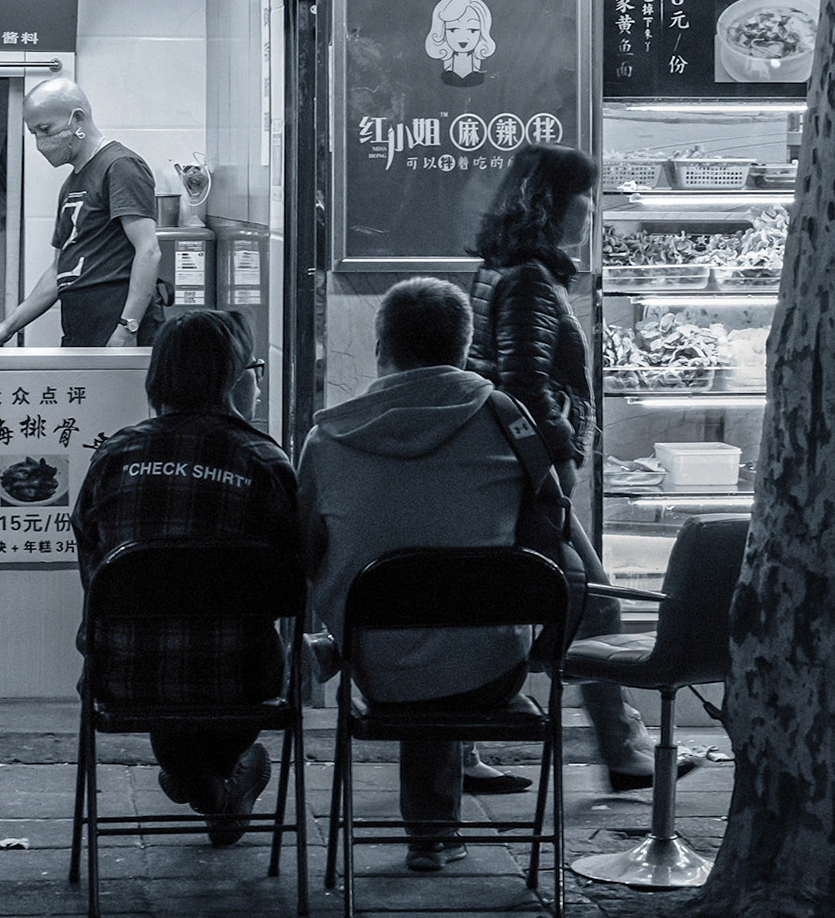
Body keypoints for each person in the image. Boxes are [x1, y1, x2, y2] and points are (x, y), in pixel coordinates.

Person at [298, 277, 535, 873]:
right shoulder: (507, 418)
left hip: (374, 665)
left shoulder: (327, 436)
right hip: (493, 670)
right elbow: (549, 528)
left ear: (382, 346)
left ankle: (432, 833)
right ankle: (433, 835)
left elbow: (303, 552)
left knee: (409, 625)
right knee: (454, 624)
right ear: (465, 346)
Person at [467, 143, 676, 794]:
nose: (594, 209)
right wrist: (560, 453)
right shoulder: (530, 279)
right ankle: (624, 753)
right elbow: (525, 380)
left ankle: (468, 747)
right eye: (588, 195)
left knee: (540, 604)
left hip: (507, 468)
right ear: (558, 202)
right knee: (592, 601)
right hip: (530, 475)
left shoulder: (501, 269)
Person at [70, 309, 298, 845]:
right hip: (241, 679)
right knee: (218, 664)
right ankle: (212, 782)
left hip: (125, 677)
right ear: (236, 378)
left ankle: (202, 780)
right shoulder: (264, 461)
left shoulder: (114, 456)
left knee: (168, 664)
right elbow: (293, 582)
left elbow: (92, 569)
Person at [0, 78, 164, 350]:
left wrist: (127, 326)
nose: (40, 142)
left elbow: (149, 250)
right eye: (34, 132)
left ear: (78, 119)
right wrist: (6, 327)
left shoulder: (120, 166)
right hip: (81, 324)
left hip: (118, 322)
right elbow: (59, 271)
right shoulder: (72, 183)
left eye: (45, 129)